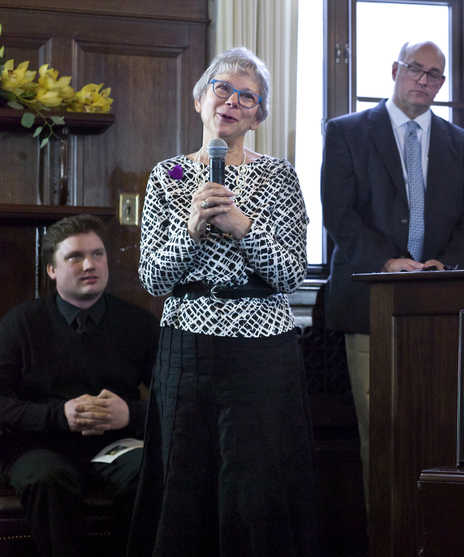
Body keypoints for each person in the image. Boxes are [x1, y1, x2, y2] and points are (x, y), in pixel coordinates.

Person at [129, 47, 318, 556]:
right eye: (222, 88)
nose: (232, 101)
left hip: (262, 348)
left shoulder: (279, 176)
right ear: (199, 100)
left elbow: (289, 274)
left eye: (247, 96)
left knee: (254, 489)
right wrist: (191, 232)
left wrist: (244, 229)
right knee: (186, 483)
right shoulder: (167, 175)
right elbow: (152, 278)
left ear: (259, 115)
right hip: (187, 345)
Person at [321, 41, 464, 507]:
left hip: (441, 310)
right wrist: (387, 263)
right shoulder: (347, 132)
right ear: (395, 69)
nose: (425, 81)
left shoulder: (463, 144)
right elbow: (339, 215)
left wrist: (446, 266)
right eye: (417, 70)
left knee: (442, 433)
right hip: (369, 308)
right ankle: (385, 538)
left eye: (436, 75)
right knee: (383, 436)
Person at [0, 215, 158, 557]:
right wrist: (60, 415)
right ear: (51, 270)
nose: (90, 264)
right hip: (41, 445)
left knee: (149, 471)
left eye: (98, 254)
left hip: (117, 443)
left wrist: (129, 413)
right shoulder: (20, 324)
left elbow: (175, 399)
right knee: (46, 478)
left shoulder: (138, 323)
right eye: (75, 257)